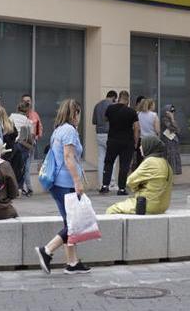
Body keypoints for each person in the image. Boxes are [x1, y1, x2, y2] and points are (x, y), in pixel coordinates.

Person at [35, 99, 90, 275]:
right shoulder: (69, 131)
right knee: (73, 223)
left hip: (58, 183)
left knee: (70, 222)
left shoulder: (58, 130)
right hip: (65, 183)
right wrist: (77, 181)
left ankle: (72, 262)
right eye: (79, 114)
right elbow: (68, 157)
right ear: (75, 113)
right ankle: (47, 250)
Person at [108, 135, 173, 215]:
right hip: (163, 206)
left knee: (112, 209)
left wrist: (138, 187)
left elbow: (130, 181)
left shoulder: (150, 161)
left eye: (142, 145)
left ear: (149, 146)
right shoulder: (165, 163)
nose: (140, 147)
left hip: (146, 204)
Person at [101, 90, 139, 195]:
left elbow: (105, 119)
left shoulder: (110, 109)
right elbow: (136, 128)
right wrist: (136, 142)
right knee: (124, 165)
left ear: (119, 98)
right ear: (127, 100)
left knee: (108, 163)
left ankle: (105, 186)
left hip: (113, 140)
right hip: (127, 142)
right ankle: (121, 188)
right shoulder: (131, 111)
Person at [9, 102, 36, 196]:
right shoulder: (28, 121)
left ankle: (11, 188)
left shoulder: (11, 117)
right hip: (23, 146)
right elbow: (31, 136)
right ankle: (19, 188)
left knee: (12, 167)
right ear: (27, 111)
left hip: (12, 145)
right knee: (22, 168)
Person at [92, 90, 117, 180]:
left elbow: (94, 121)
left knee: (101, 159)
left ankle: (101, 182)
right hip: (110, 134)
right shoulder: (113, 106)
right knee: (112, 159)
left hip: (99, 133)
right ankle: (111, 182)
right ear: (114, 97)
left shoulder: (97, 105)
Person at [160, 103, 182, 175]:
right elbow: (172, 128)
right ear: (167, 112)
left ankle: (170, 179)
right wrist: (172, 119)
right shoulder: (164, 120)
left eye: (173, 111)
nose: (173, 113)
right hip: (167, 144)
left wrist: (173, 120)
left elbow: (178, 130)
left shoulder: (172, 120)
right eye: (171, 111)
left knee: (173, 160)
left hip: (173, 144)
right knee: (168, 160)